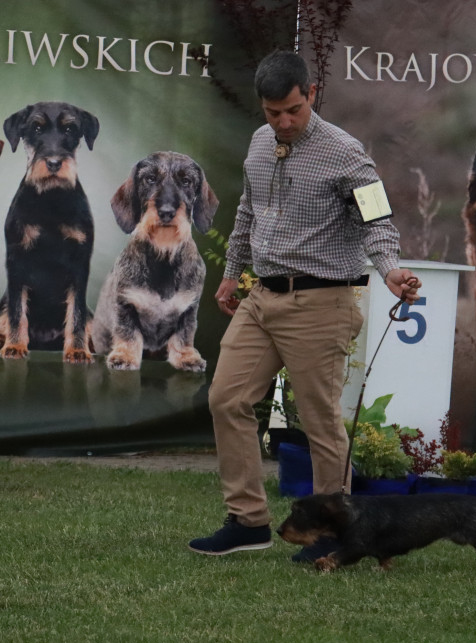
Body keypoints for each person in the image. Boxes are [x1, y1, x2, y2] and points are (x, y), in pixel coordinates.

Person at [188, 50, 421, 559]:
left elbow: (376, 220)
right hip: (262, 297)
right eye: (273, 113)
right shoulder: (258, 142)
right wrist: (231, 275)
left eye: (292, 110)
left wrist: (391, 271)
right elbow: (248, 208)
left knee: (320, 423)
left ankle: (335, 534)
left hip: (321, 301)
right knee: (226, 398)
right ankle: (247, 521)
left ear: (310, 94)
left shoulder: (345, 152)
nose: (283, 122)